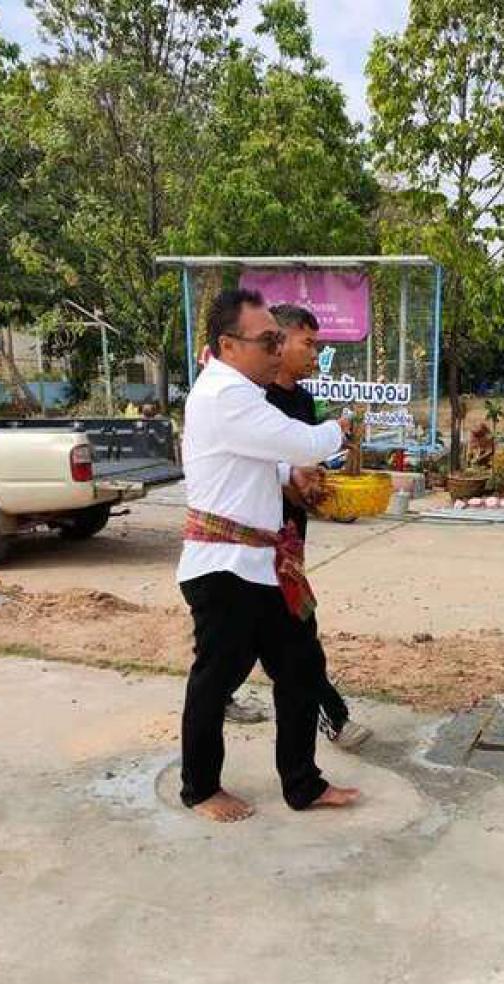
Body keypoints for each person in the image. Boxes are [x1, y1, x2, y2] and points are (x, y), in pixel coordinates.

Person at [177, 287, 359, 823]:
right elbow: (300, 443)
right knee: (216, 681)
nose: (278, 351)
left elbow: (253, 458)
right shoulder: (224, 394)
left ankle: (303, 784)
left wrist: (288, 477)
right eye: (268, 341)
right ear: (229, 345)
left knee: (300, 669)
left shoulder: (240, 392)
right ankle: (200, 788)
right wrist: (339, 430)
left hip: (262, 566)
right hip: (224, 570)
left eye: (281, 340)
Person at [265, 302, 373, 751]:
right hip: (256, 542)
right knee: (294, 638)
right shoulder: (256, 401)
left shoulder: (303, 401)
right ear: (279, 341)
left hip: (291, 543)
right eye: (308, 343)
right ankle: (332, 717)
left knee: (287, 635)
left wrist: (318, 488)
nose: (315, 354)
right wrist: (293, 483)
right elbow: (265, 470)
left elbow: (307, 465)